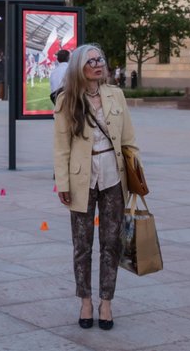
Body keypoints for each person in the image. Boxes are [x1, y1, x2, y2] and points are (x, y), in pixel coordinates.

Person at [53, 43, 136, 331]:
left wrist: (135, 178)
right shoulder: (67, 100)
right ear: (79, 67)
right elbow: (61, 147)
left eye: (100, 58)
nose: (99, 64)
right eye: (92, 61)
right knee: (82, 245)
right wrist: (62, 182)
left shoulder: (116, 95)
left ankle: (106, 302)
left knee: (112, 243)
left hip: (114, 176)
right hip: (80, 179)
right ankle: (85, 301)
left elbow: (128, 140)